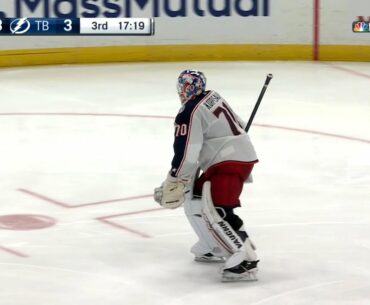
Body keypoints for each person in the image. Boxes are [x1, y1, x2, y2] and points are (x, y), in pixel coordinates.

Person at [154, 69, 259, 282]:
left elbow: (187, 152)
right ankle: (213, 245)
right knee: (195, 199)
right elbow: (238, 122)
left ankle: (245, 259)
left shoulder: (189, 112)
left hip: (228, 163)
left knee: (218, 210)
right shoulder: (212, 96)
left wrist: (174, 178)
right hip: (232, 158)